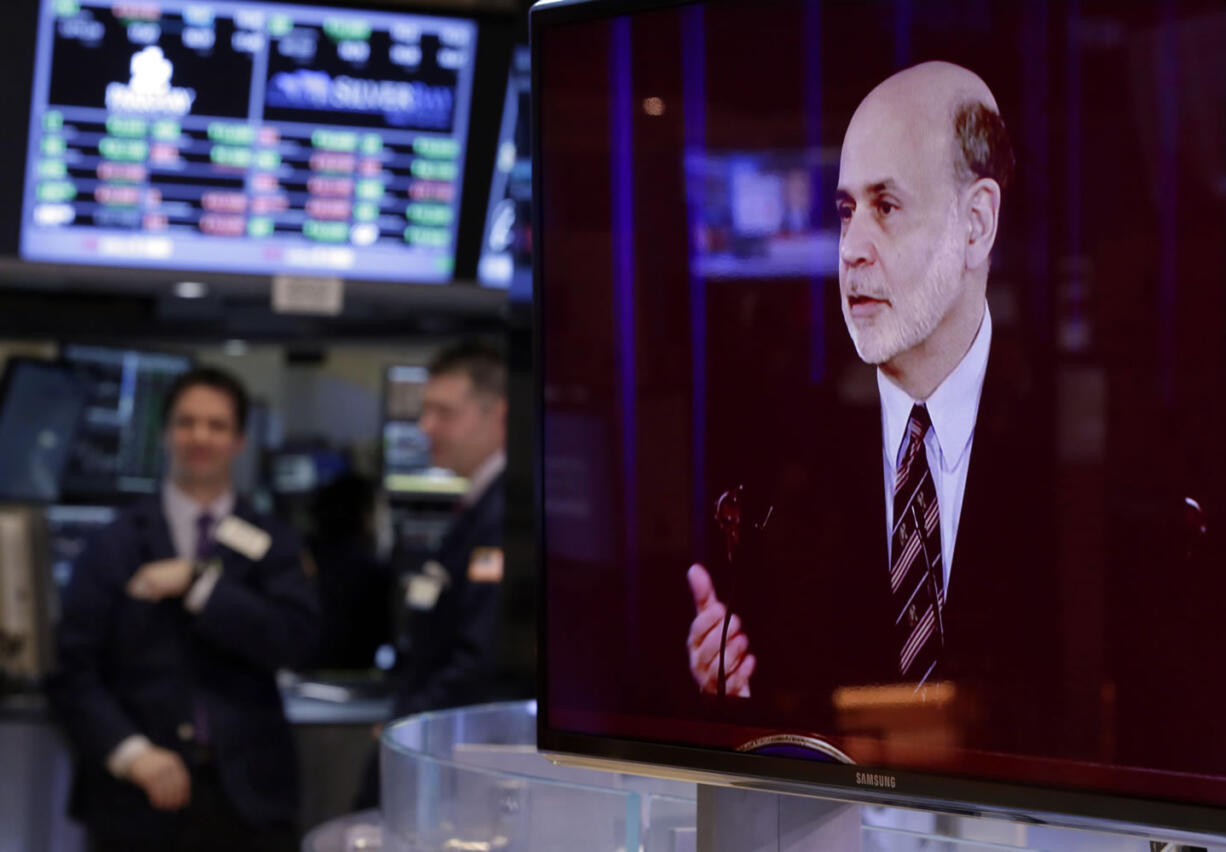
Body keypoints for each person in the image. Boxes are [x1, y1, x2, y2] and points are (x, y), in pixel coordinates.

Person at [683, 61, 1067, 756]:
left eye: (886, 207)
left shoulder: (1068, 451)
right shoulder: (779, 460)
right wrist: (729, 690)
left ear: (976, 223)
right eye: (845, 211)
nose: (852, 250)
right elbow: (783, 710)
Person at [49, 366, 319, 852]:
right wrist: (130, 753)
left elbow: (295, 640)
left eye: (216, 425)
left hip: (248, 799)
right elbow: (72, 670)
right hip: (136, 799)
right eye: (187, 422)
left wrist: (202, 587)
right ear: (166, 432)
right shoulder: (114, 542)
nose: (201, 436)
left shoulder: (272, 541)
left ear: (238, 440)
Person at [389, 339, 509, 718]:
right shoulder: (478, 503)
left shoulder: (506, 512)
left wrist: (415, 720)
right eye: (425, 411)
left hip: (464, 729)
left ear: (500, 417)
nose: (426, 427)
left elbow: (483, 655)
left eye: (444, 412)